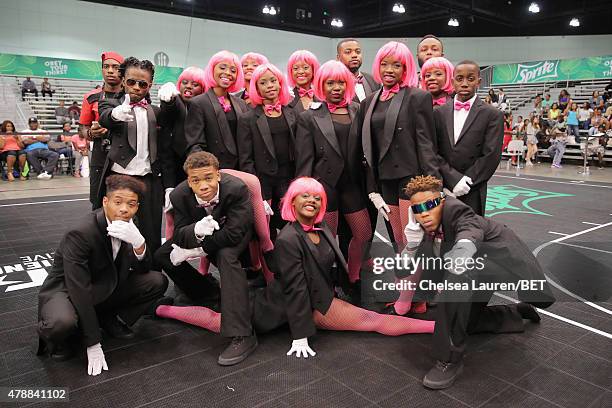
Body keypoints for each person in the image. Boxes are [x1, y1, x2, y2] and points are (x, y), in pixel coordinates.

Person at [154, 177, 434, 362]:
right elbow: (295, 287)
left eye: (316, 197)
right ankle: (161, 310)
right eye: (304, 197)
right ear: (292, 202)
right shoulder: (289, 238)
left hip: (311, 296)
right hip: (277, 307)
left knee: (372, 321)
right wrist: (300, 333)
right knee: (216, 321)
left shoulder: (321, 226)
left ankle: (436, 327)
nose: (311, 201)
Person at [401, 175, 554, 389]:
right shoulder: (424, 230)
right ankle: (515, 313)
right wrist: (410, 245)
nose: (424, 213)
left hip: (505, 264)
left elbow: (469, 228)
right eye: (418, 209)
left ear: (442, 201)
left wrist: (462, 250)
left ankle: (448, 360)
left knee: (455, 280)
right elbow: (402, 273)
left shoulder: (455, 209)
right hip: (480, 269)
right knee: (468, 324)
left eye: (430, 204)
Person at [36, 174, 171, 376]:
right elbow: (79, 289)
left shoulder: (130, 227)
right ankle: (64, 338)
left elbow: (144, 270)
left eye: (131, 204)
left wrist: (139, 244)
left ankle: (108, 319)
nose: (124, 209)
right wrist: (93, 343)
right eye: (118, 202)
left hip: (103, 285)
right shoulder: (81, 233)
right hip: (67, 291)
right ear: (105, 201)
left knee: (156, 281)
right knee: (61, 323)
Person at [154, 151, 257, 366]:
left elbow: (235, 234)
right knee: (162, 254)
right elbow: (180, 233)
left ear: (218, 175)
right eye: (196, 180)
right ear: (188, 181)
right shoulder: (179, 195)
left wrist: (198, 250)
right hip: (205, 233)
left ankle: (243, 334)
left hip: (233, 232)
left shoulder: (237, 188)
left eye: (208, 177)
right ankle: (205, 292)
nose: (203, 186)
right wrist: (196, 230)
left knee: (226, 256)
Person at [295, 60, 372, 288]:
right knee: (325, 239)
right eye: (330, 83)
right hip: (323, 186)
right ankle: (324, 279)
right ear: (321, 84)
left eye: (340, 83)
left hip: (352, 184)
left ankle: (353, 275)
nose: (336, 88)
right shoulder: (308, 117)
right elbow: (304, 158)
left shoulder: (358, 110)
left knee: (363, 233)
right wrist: (304, 191)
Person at [98, 56, 173, 260]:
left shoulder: (156, 112)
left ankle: (152, 277)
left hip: (150, 179)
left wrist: (172, 100)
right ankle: (117, 276)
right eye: (131, 81)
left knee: (151, 231)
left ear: (150, 85)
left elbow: (167, 146)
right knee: (117, 229)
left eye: (143, 84)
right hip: (120, 178)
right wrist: (116, 114)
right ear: (123, 81)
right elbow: (104, 116)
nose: (137, 87)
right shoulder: (108, 103)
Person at [433, 60, 504, 216]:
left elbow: (491, 155)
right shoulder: (438, 113)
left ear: (479, 81)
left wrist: (466, 182)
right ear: (452, 81)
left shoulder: (493, 114)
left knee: (469, 235)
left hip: (473, 189)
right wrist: (452, 179)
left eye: (470, 79)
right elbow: (433, 150)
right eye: (459, 78)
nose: (464, 83)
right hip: (443, 186)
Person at [236, 63, 297, 238]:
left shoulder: (292, 113)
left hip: (288, 178)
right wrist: (254, 187)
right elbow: (245, 158)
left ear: (280, 84)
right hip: (262, 181)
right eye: (263, 83)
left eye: (273, 81)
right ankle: (266, 265)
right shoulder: (247, 118)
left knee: (291, 223)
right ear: (255, 88)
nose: (269, 85)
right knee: (264, 228)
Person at [184, 50, 249, 168]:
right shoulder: (198, 103)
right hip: (213, 171)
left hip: (240, 170)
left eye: (233, 71)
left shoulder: (242, 104)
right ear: (212, 69)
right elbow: (195, 144)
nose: (228, 73)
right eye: (222, 68)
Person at [79, 51, 125, 209]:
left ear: (123, 71)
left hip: (125, 157)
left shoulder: (132, 96)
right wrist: (92, 133)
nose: (110, 71)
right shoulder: (91, 97)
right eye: (106, 67)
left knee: (124, 201)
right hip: (100, 156)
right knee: (98, 202)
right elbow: (82, 129)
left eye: (115, 67)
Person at [157, 66, 207, 189]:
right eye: (185, 82)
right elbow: (169, 108)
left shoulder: (205, 107)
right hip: (171, 164)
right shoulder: (176, 100)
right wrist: (168, 100)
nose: (188, 86)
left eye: (195, 84)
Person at [286, 50, 320, 115]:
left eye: (305, 68)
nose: (301, 72)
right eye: (295, 68)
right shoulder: (286, 99)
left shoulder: (322, 97)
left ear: (313, 70)